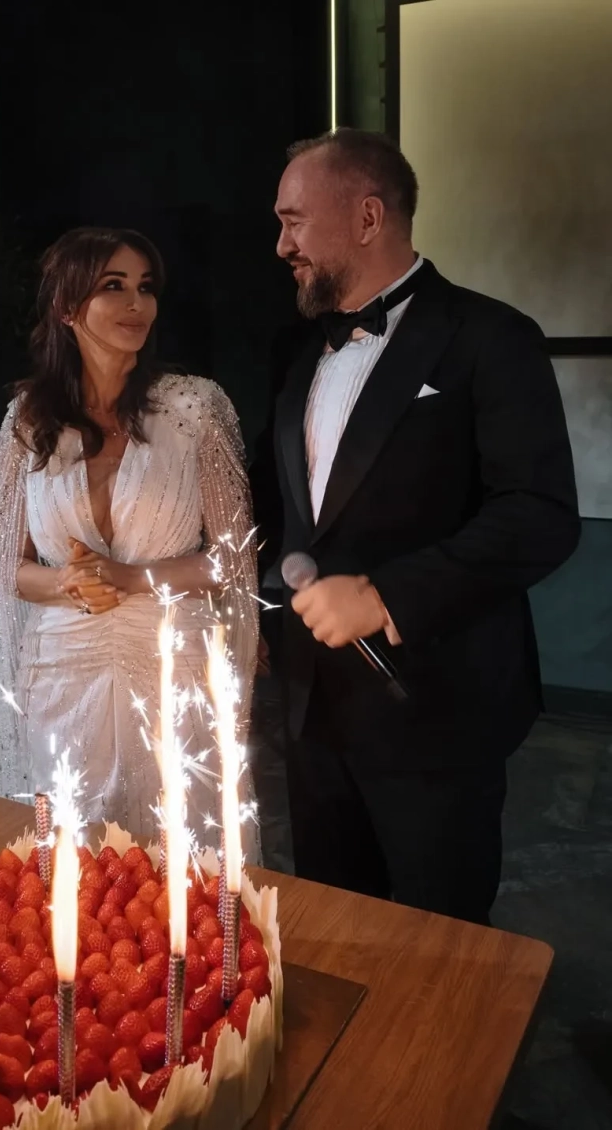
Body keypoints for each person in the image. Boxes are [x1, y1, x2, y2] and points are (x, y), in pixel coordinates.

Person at [250, 129, 580, 924]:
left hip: (439, 709)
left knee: (446, 947)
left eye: (295, 221)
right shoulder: (296, 350)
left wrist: (385, 595)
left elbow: (539, 515)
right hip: (312, 710)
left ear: (368, 217)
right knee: (336, 931)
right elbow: (284, 507)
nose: (282, 246)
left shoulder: (491, 337)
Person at [0, 227, 259, 855]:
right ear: (66, 306)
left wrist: (132, 578)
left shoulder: (194, 409)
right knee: (75, 863)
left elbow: (233, 557)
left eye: (146, 287)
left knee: (182, 854)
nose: (138, 304)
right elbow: (8, 569)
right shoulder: (27, 421)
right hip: (62, 675)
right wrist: (69, 582)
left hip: (172, 665)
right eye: (114, 286)